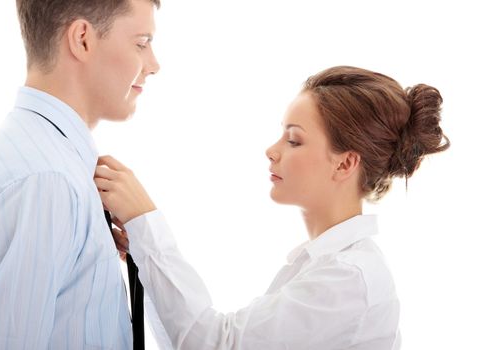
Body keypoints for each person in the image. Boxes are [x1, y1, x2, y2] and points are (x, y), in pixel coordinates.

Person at [95, 66, 450, 349]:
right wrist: (144, 251)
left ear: (344, 164)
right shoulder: (327, 267)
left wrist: (147, 223)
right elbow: (189, 340)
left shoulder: (349, 278)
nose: (272, 150)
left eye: (294, 139)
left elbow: (215, 345)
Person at [0, 0, 160, 348]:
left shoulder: (37, 163)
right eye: (141, 43)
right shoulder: (44, 181)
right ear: (82, 39)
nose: (154, 65)